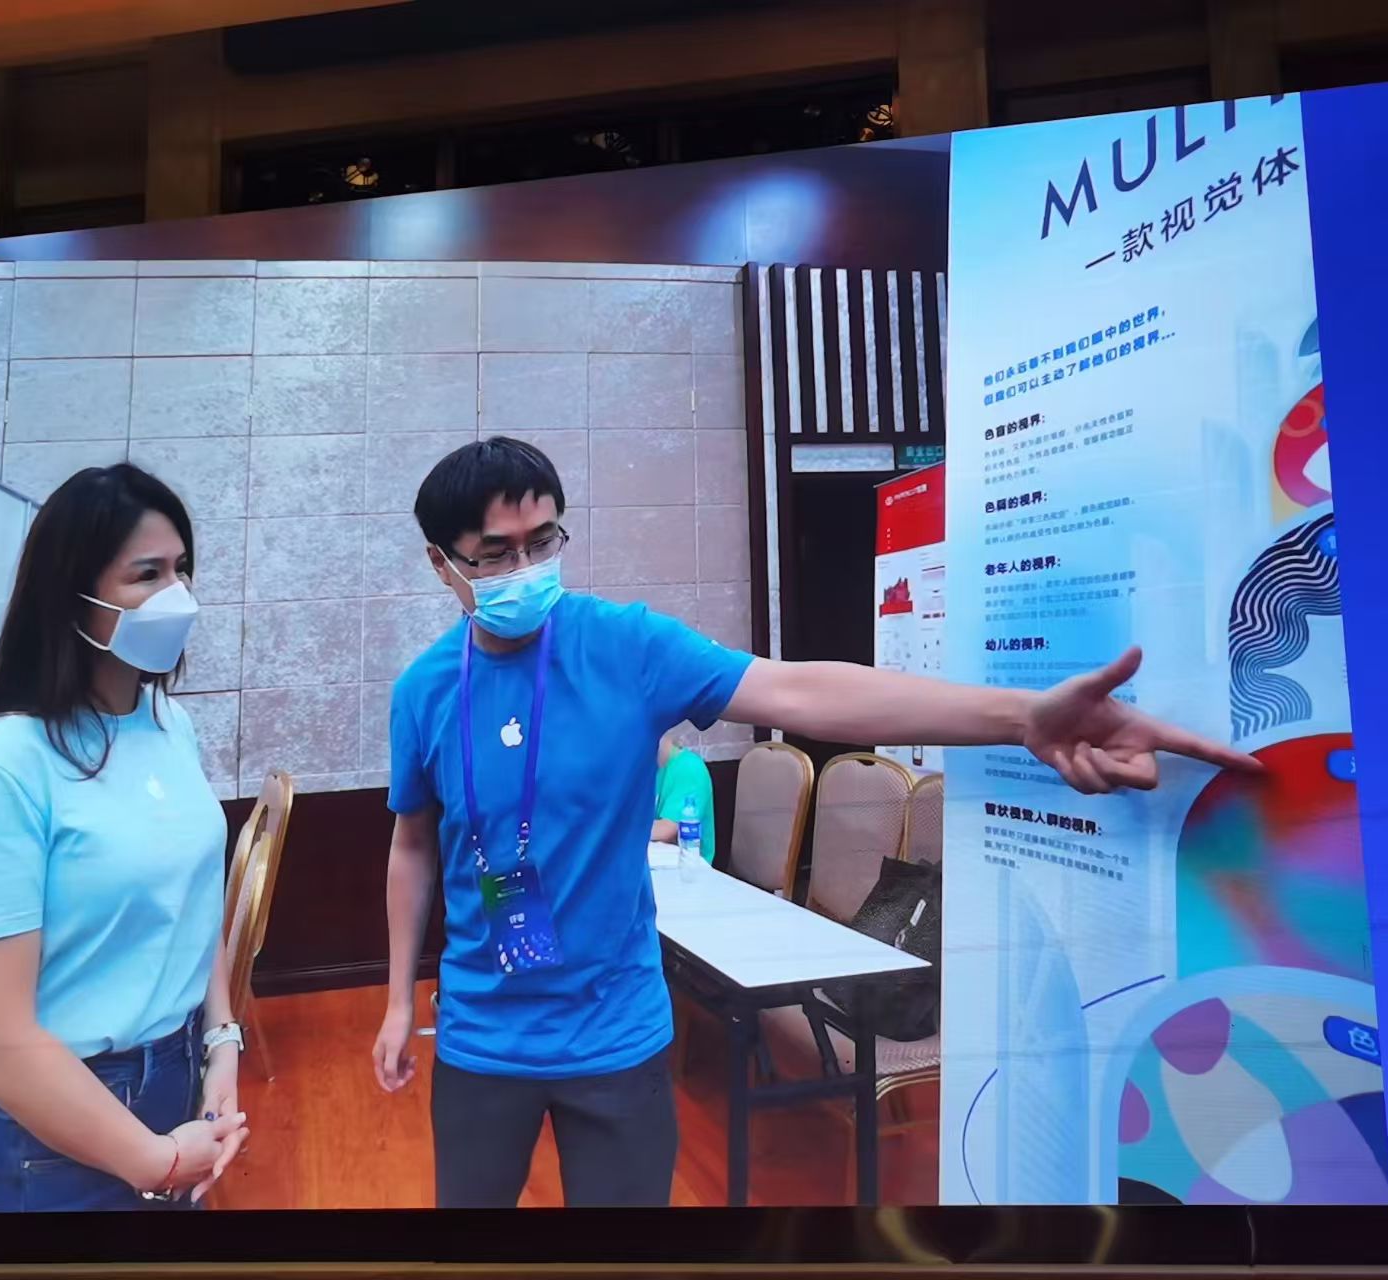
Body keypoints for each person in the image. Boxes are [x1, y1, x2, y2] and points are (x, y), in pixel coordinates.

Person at [372, 437, 1258, 1208]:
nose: (528, 569)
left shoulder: (623, 646)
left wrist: (1019, 716)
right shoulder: (423, 692)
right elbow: (413, 845)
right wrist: (396, 1001)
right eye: (496, 554)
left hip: (616, 1032)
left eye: (544, 541)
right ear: (442, 565)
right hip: (483, 1037)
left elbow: (800, 689)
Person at [0, 463, 249, 1212]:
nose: (178, 595)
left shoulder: (169, 724)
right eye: (147, 575)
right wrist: (154, 1159)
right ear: (71, 595)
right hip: (63, 1126)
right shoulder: (4, 766)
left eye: (182, 570)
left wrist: (221, 1039)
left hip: (178, 1080)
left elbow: (190, 904)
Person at [648, 732, 715, 864]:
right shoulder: (642, 769)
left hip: (688, 867)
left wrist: (619, 831)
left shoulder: (689, 767)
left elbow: (667, 829)